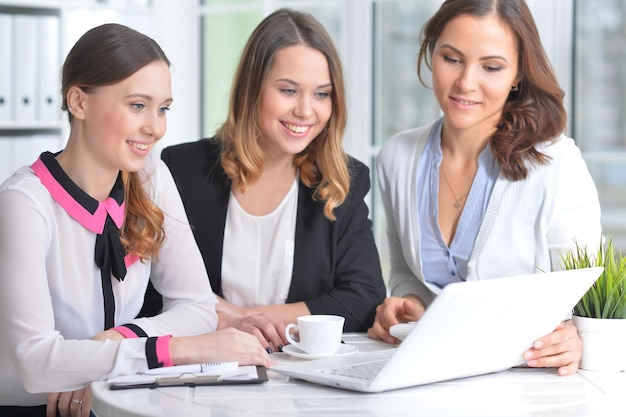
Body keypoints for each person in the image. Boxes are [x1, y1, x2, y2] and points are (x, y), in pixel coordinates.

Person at [0, 23, 271, 417]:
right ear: (78, 102)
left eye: (163, 108)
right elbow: (36, 362)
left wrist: (118, 339)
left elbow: (196, 305)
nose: (156, 127)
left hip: (117, 397)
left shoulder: (151, 178)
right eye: (138, 105)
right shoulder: (24, 202)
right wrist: (176, 348)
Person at [367, 0, 602, 377]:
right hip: (428, 378)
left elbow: (588, 299)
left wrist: (577, 337)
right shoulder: (397, 158)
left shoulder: (557, 165)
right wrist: (408, 304)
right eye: (452, 59)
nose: (465, 83)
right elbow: (406, 273)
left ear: (518, 75)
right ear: (431, 53)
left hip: (527, 385)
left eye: (491, 67)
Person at [159, 8, 386, 352]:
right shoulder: (182, 169)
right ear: (253, 90)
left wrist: (240, 318)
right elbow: (153, 290)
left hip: (298, 377)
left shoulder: (344, 180)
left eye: (322, 94)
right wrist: (226, 322)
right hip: (203, 368)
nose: (306, 111)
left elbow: (363, 298)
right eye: (288, 90)